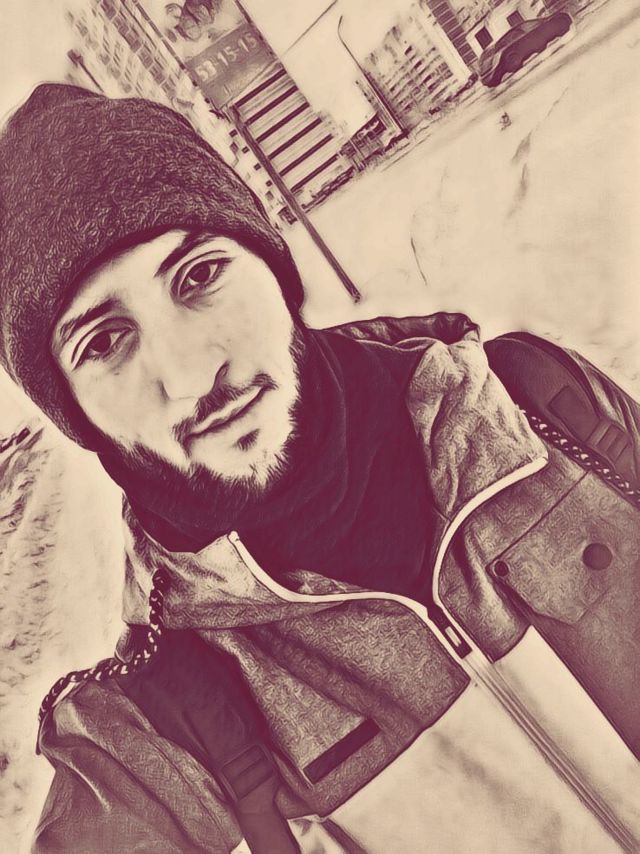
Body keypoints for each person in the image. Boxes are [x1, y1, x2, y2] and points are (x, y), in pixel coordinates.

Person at [0, 83, 639, 854]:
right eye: (104, 342)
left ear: (272, 267)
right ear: (76, 414)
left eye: (200, 275)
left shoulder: (540, 406)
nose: (194, 374)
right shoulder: (153, 728)